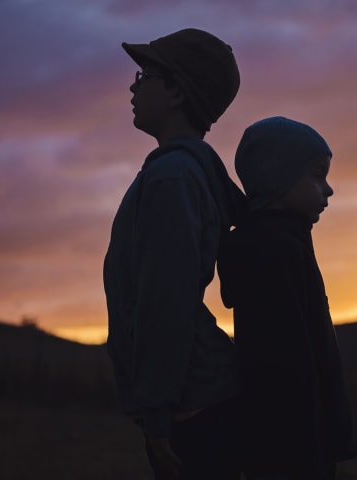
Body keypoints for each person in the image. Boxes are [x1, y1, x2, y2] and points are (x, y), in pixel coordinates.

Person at [102, 28, 246, 480]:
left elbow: (166, 301)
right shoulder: (184, 172)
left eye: (145, 75)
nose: (133, 85)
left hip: (191, 408)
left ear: (177, 92)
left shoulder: (172, 180)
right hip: (195, 400)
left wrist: (158, 414)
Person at [219, 116, 357, 480]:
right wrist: (306, 455)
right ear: (278, 179)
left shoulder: (286, 243)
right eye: (317, 176)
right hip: (290, 451)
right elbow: (286, 368)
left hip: (294, 445)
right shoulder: (276, 252)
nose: (328, 189)